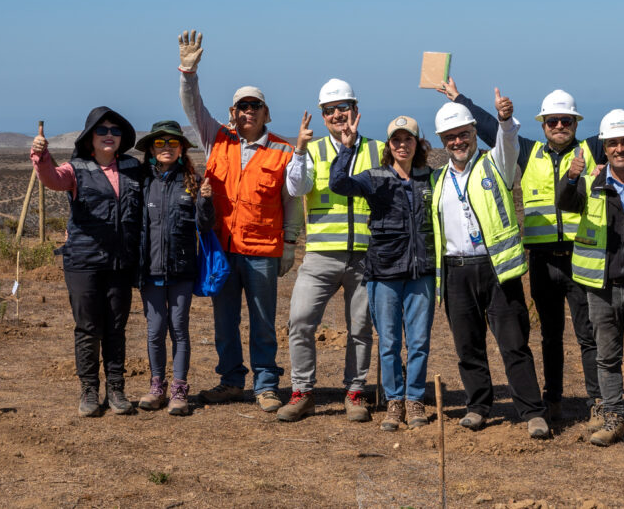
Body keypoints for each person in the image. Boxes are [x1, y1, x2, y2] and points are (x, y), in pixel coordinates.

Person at [437, 58, 624, 425]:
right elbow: (494, 126)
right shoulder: (527, 151)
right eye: (552, 121)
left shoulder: (591, 150)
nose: (559, 126)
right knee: (550, 337)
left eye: (566, 121)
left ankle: (598, 402)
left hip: (581, 258)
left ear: (575, 124)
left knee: (588, 335)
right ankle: (552, 400)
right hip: (541, 261)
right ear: (543, 125)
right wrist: (459, 98)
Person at [178, 30, 302, 413]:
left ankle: (266, 385)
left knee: (264, 321)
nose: (247, 112)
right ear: (233, 113)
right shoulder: (218, 139)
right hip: (222, 249)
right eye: (241, 107)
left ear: (266, 113)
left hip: (263, 251)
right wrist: (188, 72)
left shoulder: (284, 148)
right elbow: (192, 106)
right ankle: (231, 380)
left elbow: (292, 200)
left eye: (254, 107)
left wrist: (291, 245)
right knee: (225, 321)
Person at [430, 92, 550, 440]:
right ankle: (478, 406)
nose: (457, 141)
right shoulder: (438, 179)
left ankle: (532, 412)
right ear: (443, 141)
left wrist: (504, 120)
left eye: (463, 133)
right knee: (468, 346)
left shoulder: (496, 164)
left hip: (497, 269)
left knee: (513, 344)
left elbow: (508, 141)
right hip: (456, 270)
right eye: (450, 137)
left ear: (473, 133)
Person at [556, 109, 624, 453]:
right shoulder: (590, 183)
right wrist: (572, 177)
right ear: (604, 148)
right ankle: (614, 419)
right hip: (601, 289)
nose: (619, 148)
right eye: (613, 143)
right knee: (607, 359)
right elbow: (564, 203)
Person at [277, 80, 380, 423]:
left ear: (355, 108)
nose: (337, 114)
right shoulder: (314, 150)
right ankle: (303, 392)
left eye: (343, 107)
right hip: (321, 255)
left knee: (360, 328)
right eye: (329, 110)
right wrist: (300, 150)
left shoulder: (377, 150)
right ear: (322, 116)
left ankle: (355, 392)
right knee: (301, 322)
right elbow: (297, 186)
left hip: (365, 255)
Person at [31, 107, 143, 417]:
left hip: (121, 263)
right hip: (83, 262)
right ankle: (89, 389)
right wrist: (40, 156)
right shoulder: (76, 168)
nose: (109, 135)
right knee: (88, 326)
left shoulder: (134, 168)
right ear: (90, 137)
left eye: (115, 131)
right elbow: (51, 179)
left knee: (117, 327)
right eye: (102, 130)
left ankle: (117, 389)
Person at [328, 114, 435, 431]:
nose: (402, 145)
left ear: (418, 143)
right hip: (384, 272)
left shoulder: (429, 178)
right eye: (396, 140)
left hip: (421, 273)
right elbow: (338, 184)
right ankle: (394, 402)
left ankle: (415, 401)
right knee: (388, 343)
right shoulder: (375, 177)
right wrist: (347, 149)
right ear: (389, 145)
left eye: (408, 139)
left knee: (418, 343)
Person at [135, 120, 215, 416]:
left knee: (179, 329)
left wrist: (206, 201)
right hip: (151, 271)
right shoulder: (143, 182)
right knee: (155, 331)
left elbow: (206, 226)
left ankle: (179, 389)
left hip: (182, 271)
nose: (166, 147)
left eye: (172, 142)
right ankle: (157, 387)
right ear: (151, 150)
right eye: (159, 143)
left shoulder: (192, 181)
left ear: (182, 148)